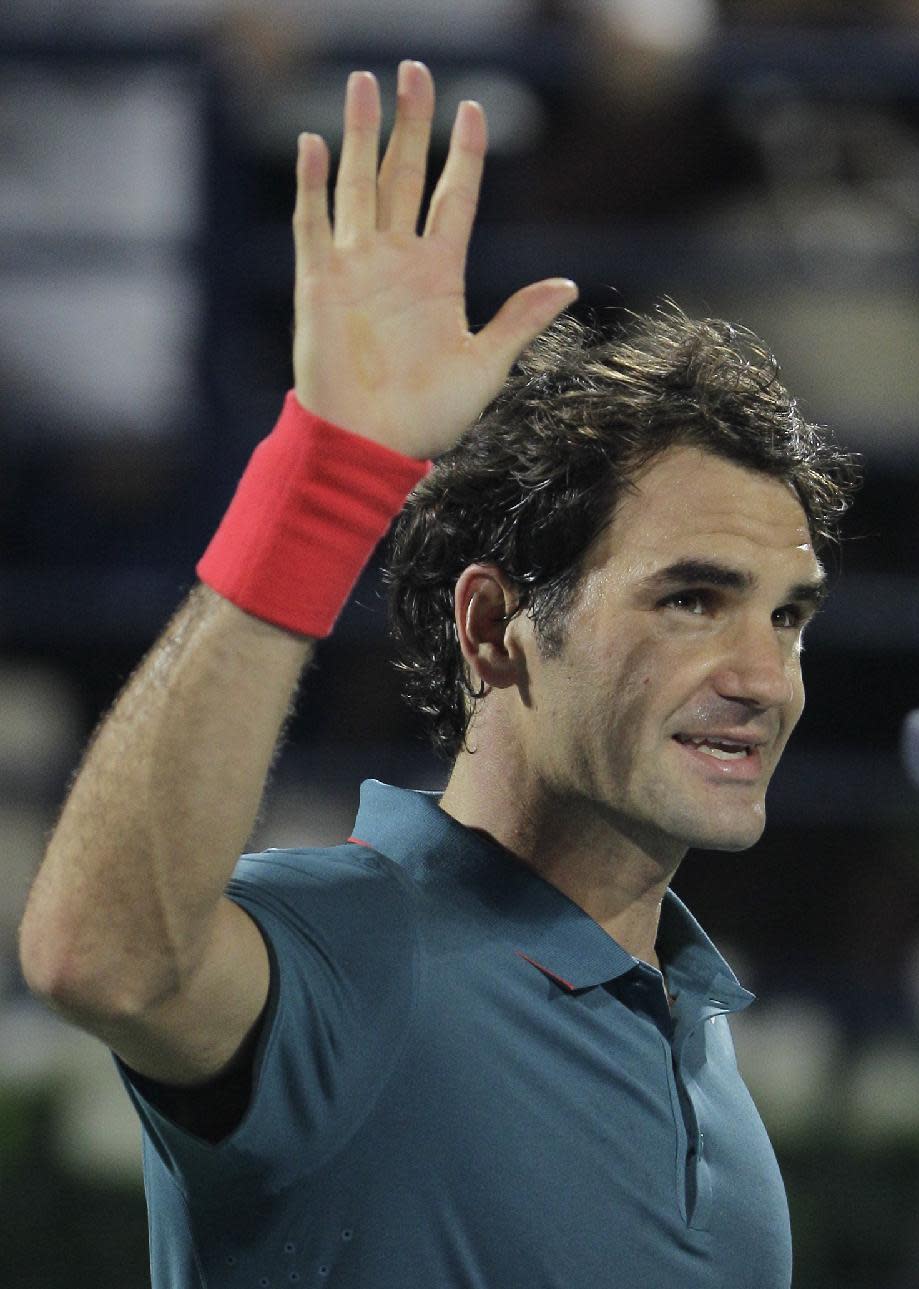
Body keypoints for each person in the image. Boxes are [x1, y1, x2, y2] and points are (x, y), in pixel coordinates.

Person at [19, 61, 858, 1288]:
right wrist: (327, 468)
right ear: (493, 629)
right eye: (691, 599)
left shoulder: (708, 1063)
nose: (763, 676)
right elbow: (105, 958)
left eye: (788, 617)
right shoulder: (348, 953)